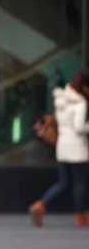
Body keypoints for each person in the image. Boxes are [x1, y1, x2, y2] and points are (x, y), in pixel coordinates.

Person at [30, 69, 89, 227]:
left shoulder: (61, 100)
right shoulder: (81, 103)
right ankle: (81, 216)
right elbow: (78, 127)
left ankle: (40, 205)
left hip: (63, 147)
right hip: (77, 148)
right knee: (81, 183)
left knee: (63, 182)